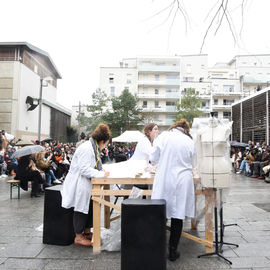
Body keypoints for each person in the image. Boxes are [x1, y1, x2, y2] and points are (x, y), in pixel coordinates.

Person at [150, 119, 195, 262]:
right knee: (178, 214)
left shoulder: (163, 137)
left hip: (165, 178)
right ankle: (172, 251)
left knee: (162, 213)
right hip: (183, 180)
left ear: (174, 127)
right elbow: (194, 162)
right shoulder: (189, 141)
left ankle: (158, 249)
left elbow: (153, 157)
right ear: (185, 129)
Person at [61, 123, 111, 247]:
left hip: (86, 183)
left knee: (89, 207)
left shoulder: (93, 148)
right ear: (102, 141)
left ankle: (87, 232)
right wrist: (101, 174)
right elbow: (84, 169)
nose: (106, 146)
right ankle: (78, 236)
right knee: (81, 209)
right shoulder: (87, 148)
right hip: (80, 183)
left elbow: (93, 165)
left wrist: (101, 172)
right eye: (106, 143)